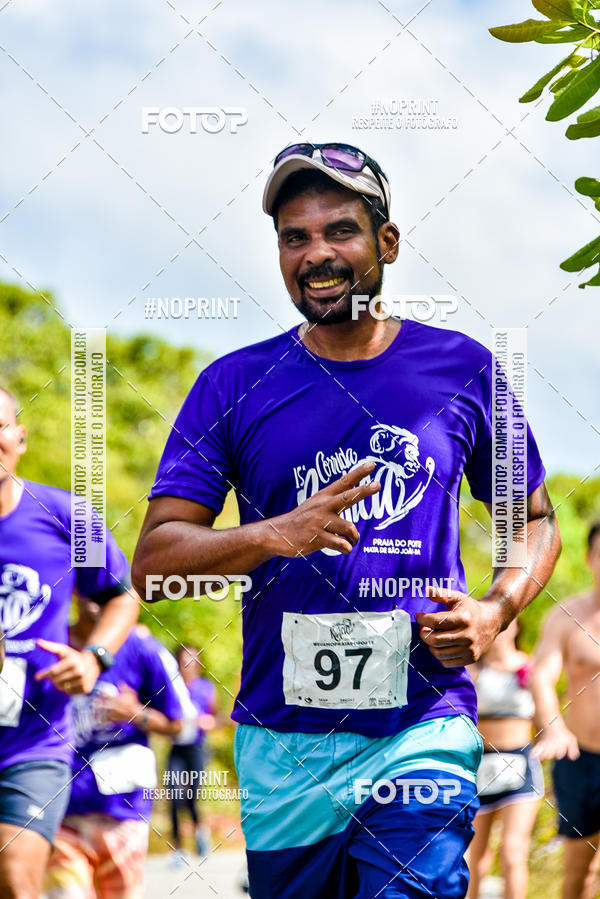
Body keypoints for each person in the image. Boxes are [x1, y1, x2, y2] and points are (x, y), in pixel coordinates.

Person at [132, 142, 561, 899]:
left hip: (421, 720)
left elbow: (532, 519)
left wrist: (498, 609)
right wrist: (273, 533)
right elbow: (155, 563)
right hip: (282, 740)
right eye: (294, 237)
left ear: (386, 242)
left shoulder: (462, 371)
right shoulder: (232, 384)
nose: (316, 253)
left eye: (340, 231)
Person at [0, 386, 138, 899]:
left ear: (20, 436)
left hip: (31, 745)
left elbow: (123, 596)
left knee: (16, 880)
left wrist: (94, 658)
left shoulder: (64, 517)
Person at [44, 596, 184, 899]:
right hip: (60, 812)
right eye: (93, 586)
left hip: (123, 813)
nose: (98, 597)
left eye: (110, 588)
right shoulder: (53, 644)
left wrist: (136, 713)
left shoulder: (143, 648)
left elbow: (180, 724)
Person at [531, 521, 600, 899]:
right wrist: (553, 726)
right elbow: (541, 677)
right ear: (590, 558)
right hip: (580, 758)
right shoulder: (567, 616)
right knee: (578, 874)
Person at [467, 619, 543, 899]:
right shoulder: (473, 670)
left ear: (516, 627)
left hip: (521, 765)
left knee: (513, 851)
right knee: (477, 857)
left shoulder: (531, 667)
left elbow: (545, 717)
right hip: (482, 767)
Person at [167, 645, 218, 865]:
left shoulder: (205, 688)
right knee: (174, 796)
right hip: (177, 746)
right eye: (184, 659)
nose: (188, 664)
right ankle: (178, 849)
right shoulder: (172, 687)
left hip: (196, 748)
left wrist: (208, 722)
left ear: (198, 663)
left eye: (192, 660)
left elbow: (216, 717)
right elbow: (163, 713)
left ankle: (200, 833)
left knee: (192, 798)